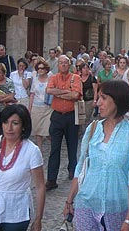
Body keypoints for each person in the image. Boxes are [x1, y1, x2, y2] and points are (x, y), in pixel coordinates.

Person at [63, 80, 129, 230]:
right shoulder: (93, 129)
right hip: (86, 205)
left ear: (118, 100)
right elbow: (81, 168)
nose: (98, 103)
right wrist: (69, 200)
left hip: (117, 208)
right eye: (98, 97)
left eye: (104, 98)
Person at [0, 104, 45, 230]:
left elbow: (40, 187)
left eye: (15, 123)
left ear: (23, 126)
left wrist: (38, 219)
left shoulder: (32, 151)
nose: (9, 128)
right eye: (5, 122)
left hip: (17, 212)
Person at [45, 55, 82, 189]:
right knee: (54, 148)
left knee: (72, 145)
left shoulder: (76, 78)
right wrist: (66, 92)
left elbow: (75, 95)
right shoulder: (53, 78)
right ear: (58, 65)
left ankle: (73, 170)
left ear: (69, 64)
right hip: (57, 117)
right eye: (61, 63)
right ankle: (51, 179)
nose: (63, 65)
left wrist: (58, 93)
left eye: (65, 63)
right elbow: (49, 90)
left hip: (71, 116)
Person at [28, 61, 53, 150]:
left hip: (48, 108)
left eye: (42, 68)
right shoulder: (35, 80)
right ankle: (39, 150)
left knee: (48, 130)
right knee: (38, 131)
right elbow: (32, 94)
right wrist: (30, 108)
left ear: (46, 70)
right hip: (36, 107)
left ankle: (53, 146)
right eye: (38, 68)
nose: (40, 70)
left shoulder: (51, 79)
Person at [78, 62, 98, 135]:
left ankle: (87, 132)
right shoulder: (78, 77)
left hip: (89, 100)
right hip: (80, 100)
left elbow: (95, 90)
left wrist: (95, 100)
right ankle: (79, 132)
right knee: (79, 117)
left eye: (87, 68)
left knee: (87, 117)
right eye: (84, 68)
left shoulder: (92, 78)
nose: (86, 70)